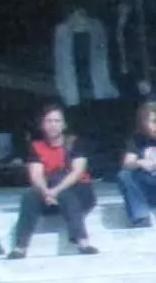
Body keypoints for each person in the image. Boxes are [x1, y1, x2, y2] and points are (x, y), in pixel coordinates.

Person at [6, 103, 98, 256]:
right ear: (42, 124)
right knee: (29, 196)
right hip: (50, 193)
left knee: (66, 193)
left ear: (64, 124)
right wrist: (46, 192)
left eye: (57, 121)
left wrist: (55, 191)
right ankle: (20, 247)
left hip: (79, 190)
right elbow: (36, 174)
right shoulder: (36, 146)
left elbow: (77, 172)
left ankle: (82, 241)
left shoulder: (75, 143)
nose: (53, 125)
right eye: (49, 121)